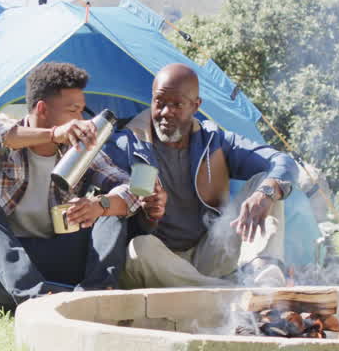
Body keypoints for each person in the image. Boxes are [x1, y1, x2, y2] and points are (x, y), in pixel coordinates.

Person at [108, 63, 318, 288]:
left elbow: (283, 162)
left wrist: (266, 193)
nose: (166, 112)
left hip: (209, 252)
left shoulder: (214, 141)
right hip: (160, 260)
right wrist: (146, 215)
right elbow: (106, 205)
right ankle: (231, 292)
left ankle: (264, 275)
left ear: (196, 105)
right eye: (159, 102)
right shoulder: (126, 144)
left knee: (266, 185)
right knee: (138, 249)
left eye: (177, 104)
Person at [0, 62, 140, 303]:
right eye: (73, 110)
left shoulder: (79, 150)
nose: (80, 120)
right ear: (42, 109)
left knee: (110, 209)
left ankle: (95, 296)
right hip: (8, 254)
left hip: (59, 250)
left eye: (82, 111)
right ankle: (34, 298)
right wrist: (54, 134)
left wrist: (100, 205)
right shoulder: (6, 129)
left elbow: (129, 187)